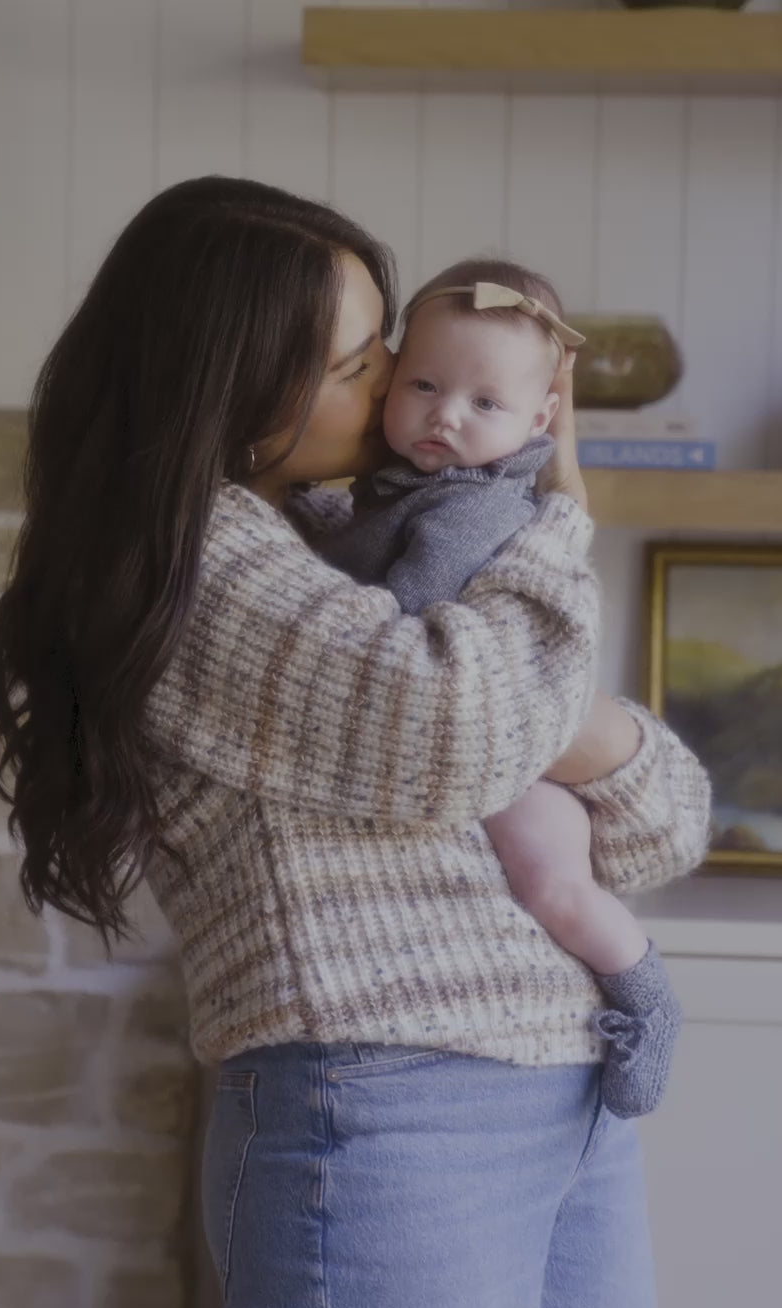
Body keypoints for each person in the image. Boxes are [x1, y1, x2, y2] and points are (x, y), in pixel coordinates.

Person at [0, 175, 712, 1308]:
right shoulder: (188, 563)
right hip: (383, 1105)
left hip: (561, 1083)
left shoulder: (352, 547)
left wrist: (550, 706)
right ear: (230, 384)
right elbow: (465, 732)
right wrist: (557, 517)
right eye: (359, 363)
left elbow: (664, 824)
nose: (397, 383)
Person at [317, 256, 682, 1122]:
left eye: (485, 403)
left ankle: (648, 999)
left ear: (540, 420)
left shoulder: (471, 508)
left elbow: (403, 622)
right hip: (488, 755)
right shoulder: (401, 490)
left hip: (523, 775)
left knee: (554, 890)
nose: (445, 415)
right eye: (424, 385)